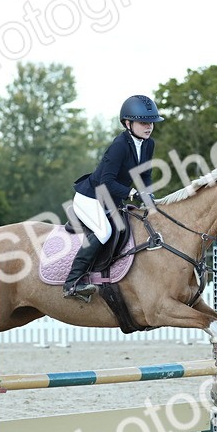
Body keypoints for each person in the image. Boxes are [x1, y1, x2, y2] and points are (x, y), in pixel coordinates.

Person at [64, 94, 163, 298]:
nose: (149, 127)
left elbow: (145, 174)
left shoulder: (148, 144)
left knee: (131, 226)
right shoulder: (119, 145)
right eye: (144, 122)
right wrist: (133, 193)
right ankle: (72, 283)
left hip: (112, 200)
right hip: (90, 197)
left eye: (151, 122)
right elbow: (105, 182)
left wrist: (149, 196)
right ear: (128, 123)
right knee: (104, 232)